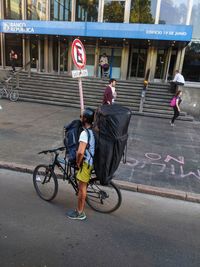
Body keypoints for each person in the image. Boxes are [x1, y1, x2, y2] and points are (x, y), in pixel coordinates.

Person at [66, 108, 95, 220]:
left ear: (85, 119)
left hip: (86, 164)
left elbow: (80, 152)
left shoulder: (84, 133)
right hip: (90, 162)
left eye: (82, 116)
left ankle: (80, 213)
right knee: (82, 186)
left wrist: (78, 162)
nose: (80, 118)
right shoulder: (92, 131)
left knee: (82, 188)